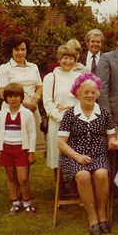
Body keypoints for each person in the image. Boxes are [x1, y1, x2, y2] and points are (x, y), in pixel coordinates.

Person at [57, 73, 118, 235]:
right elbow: (61, 143)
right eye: (86, 92)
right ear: (78, 93)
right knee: (83, 175)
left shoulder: (104, 113)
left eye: (93, 92)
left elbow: (111, 135)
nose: (90, 95)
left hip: (99, 155)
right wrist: (77, 157)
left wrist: (112, 142)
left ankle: (102, 215)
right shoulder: (70, 114)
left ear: (97, 93)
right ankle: (92, 218)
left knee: (101, 173)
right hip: (75, 156)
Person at [0, 83, 37, 215]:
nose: (13, 99)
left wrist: (31, 152)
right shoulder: (1, 115)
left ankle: (27, 203)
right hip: (6, 149)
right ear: (6, 98)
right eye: (10, 96)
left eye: (16, 96)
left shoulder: (27, 113)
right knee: (11, 177)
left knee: (23, 178)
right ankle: (15, 203)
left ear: (21, 97)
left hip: (21, 149)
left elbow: (32, 134)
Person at [0, 35, 44, 150]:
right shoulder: (5, 68)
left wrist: (34, 101)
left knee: (30, 146)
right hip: (12, 110)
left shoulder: (33, 67)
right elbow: (3, 93)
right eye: (17, 49)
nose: (20, 52)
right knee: (14, 145)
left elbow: (39, 86)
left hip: (32, 109)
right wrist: (25, 105)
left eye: (23, 49)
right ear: (11, 51)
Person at [43, 45, 81, 174]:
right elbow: (47, 102)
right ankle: (59, 186)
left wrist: (77, 118)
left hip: (76, 119)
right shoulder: (50, 77)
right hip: (57, 119)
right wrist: (61, 119)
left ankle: (74, 183)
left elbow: (82, 99)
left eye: (71, 58)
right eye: (65, 58)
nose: (68, 61)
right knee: (57, 153)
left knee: (76, 151)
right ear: (59, 59)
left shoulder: (78, 77)